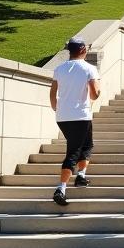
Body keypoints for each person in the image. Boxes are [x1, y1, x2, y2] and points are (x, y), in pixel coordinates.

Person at [49, 36, 101, 206]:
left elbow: (52, 93)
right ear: (83, 50)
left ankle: (81, 176)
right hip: (80, 116)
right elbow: (94, 94)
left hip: (63, 117)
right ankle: (60, 188)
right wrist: (97, 92)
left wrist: (57, 108)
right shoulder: (89, 69)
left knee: (87, 145)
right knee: (74, 151)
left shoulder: (59, 69)